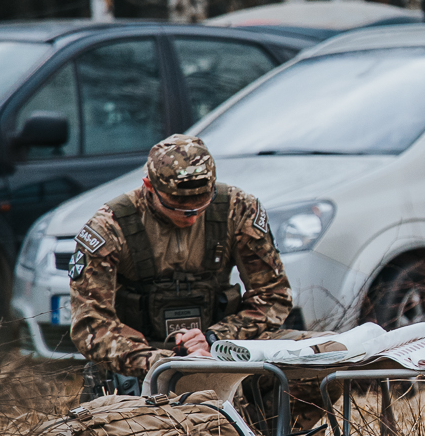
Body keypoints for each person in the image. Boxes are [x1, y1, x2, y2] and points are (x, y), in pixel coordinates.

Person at [69, 134, 293, 387]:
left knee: (323, 359)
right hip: (142, 359)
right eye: (178, 204)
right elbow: (91, 325)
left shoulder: (237, 208)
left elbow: (273, 296)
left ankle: (266, 426)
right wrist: (163, 363)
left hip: (223, 350)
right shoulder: (110, 227)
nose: (191, 216)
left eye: (201, 204)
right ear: (149, 186)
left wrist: (215, 338)